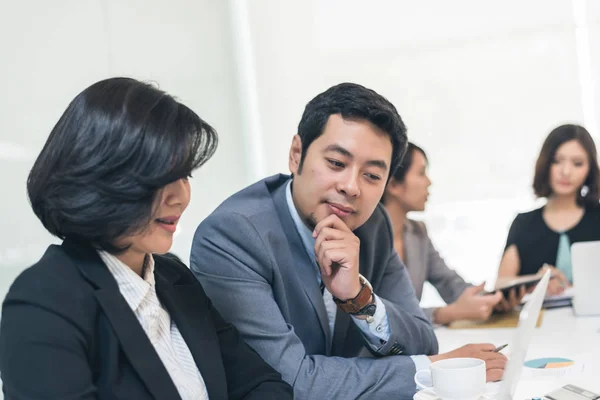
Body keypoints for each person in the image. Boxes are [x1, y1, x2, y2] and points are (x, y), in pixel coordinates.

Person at [190, 83, 507, 399]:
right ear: (296, 154)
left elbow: (422, 341)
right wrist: (432, 370)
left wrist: (358, 297)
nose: (351, 187)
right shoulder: (233, 235)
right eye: (337, 164)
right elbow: (291, 382)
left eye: (371, 175)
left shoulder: (373, 224)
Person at [0, 78, 293, 400]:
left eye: (185, 175)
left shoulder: (174, 278)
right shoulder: (42, 304)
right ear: (99, 179)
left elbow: (262, 385)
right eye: (160, 178)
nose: (180, 196)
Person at [381, 142, 503, 325]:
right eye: (421, 173)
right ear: (394, 185)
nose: (429, 182)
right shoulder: (362, 239)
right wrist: (445, 314)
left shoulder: (417, 232)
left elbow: (449, 283)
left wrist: (496, 299)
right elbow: (377, 315)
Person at [497, 124, 600, 298]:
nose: (566, 172)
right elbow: (500, 285)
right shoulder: (524, 224)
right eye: (557, 161)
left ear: (589, 169)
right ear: (545, 164)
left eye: (577, 163)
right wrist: (535, 282)